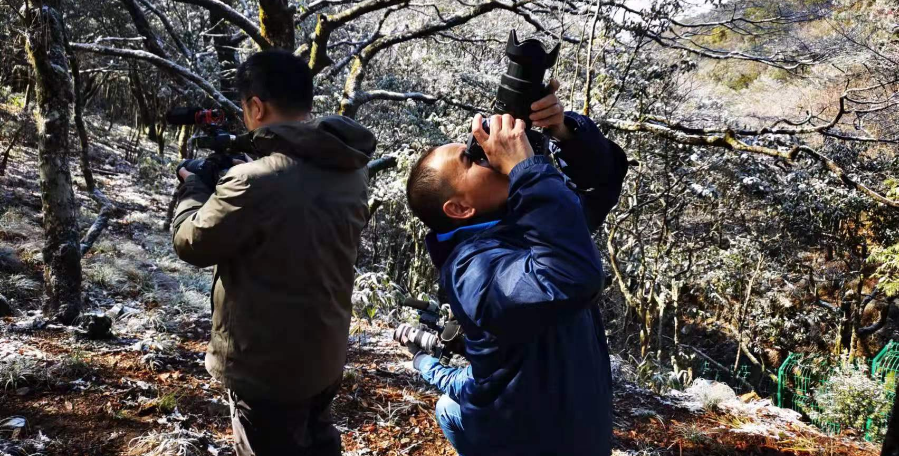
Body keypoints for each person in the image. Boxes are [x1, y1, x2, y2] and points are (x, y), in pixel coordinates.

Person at [403, 79, 628, 456]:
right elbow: (569, 278)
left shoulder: (527, 221)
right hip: (524, 440)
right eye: (471, 160)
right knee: (449, 408)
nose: (485, 154)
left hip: (577, 430)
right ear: (459, 209)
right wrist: (526, 169)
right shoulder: (470, 271)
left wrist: (565, 133)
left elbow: (603, 183)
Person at [171, 49, 376, 456]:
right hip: (324, 353)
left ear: (256, 106)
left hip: (265, 369)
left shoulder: (253, 181)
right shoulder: (351, 169)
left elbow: (191, 242)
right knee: (318, 442)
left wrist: (193, 188)